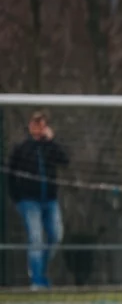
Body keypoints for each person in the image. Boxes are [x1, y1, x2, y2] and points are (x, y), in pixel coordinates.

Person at [7, 111, 69, 289]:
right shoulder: (21, 148)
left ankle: (39, 269)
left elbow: (64, 161)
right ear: (30, 126)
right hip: (29, 201)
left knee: (56, 235)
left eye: (42, 125)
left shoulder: (49, 147)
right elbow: (11, 175)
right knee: (36, 238)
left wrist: (51, 141)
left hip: (49, 199)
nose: (39, 128)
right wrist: (17, 198)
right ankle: (37, 280)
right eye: (36, 124)